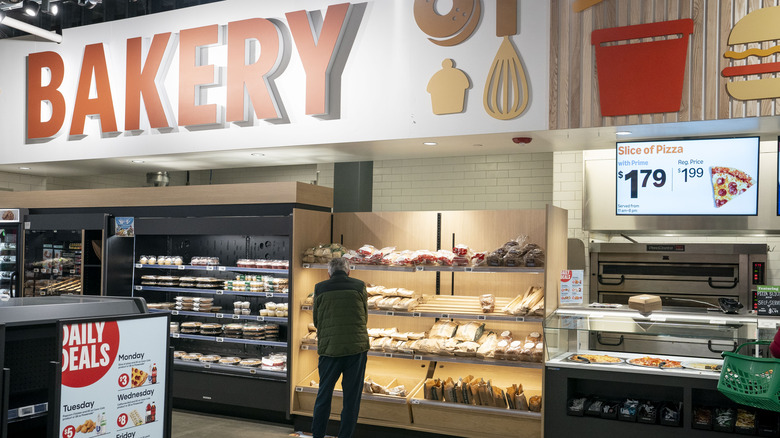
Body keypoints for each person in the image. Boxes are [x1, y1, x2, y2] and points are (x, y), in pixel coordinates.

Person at [311, 257, 369, 438]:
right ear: (348, 271)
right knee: (351, 399)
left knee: (324, 395)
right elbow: (364, 317)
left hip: (330, 350)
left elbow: (316, 320)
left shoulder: (320, 288)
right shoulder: (359, 286)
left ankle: (317, 435)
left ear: (328, 273)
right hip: (356, 349)